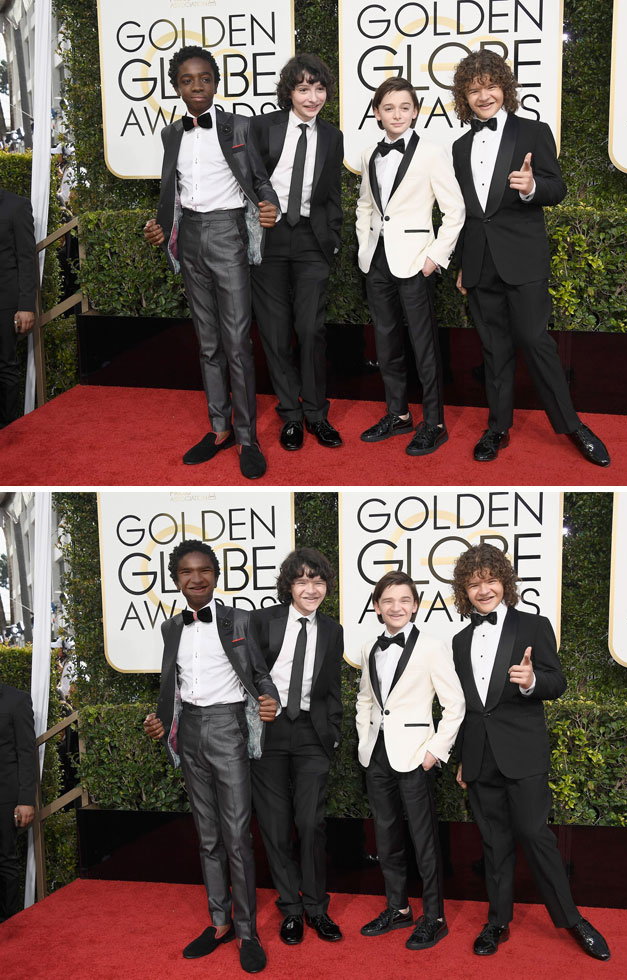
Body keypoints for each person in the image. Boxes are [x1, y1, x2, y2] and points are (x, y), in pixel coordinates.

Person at [450, 543, 611, 961]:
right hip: (481, 757)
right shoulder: (458, 639)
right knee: (493, 843)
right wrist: (466, 756)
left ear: (504, 581)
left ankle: (573, 920)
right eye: (473, 583)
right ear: (464, 591)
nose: (483, 590)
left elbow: (557, 683)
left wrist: (530, 680)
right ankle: (497, 921)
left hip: (523, 754)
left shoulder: (533, 625)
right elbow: (469, 707)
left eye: (489, 580)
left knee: (536, 837)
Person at [451, 50, 610, 467]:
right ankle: (497, 427)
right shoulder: (458, 146)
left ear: (505, 87)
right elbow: (469, 213)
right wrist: (466, 261)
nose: (483, 95)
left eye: (490, 86)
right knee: (493, 349)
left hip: (523, 259)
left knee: (535, 342)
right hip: (481, 262)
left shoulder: (533, 132)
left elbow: (557, 189)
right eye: (473, 89)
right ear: (463, 97)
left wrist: (531, 185)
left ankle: (573, 425)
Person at [143, 539, 279, 973]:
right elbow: (172, 685)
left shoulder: (239, 619)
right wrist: (160, 720)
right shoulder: (170, 628)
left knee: (237, 836)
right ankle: (218, 921)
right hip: (191, 732)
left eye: (203, 571)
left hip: (228, 729)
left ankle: (247, 931)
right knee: (207, 836)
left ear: (216, 576)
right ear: (176, 579)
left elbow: (260, 674)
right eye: (186, 572)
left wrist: (269, 699)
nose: (196, 578)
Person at [144, 45, 279, 480]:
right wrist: (159, 225)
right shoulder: (170, 135)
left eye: (204, 78)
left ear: (216, 83)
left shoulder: (238, 125)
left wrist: (269, 205)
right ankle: (218, 428)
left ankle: (247, 438)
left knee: (237, 342)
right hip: (191, 239)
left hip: (228, 235)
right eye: (187, 80)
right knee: (207, 343)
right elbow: (171, 190)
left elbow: (260, 180)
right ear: (176, 87)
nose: (197, 86)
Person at [355, 571, 465, 950]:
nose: (396, 607)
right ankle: (398, 909)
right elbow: (366, 700)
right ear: (376, 607)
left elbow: (455, 704)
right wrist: (363, 741)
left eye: (404, 600)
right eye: (388, 601)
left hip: (417, 756)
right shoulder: (370, 647)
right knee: (386, 837)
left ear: (415, 605)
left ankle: (434, 917)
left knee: (424, 840)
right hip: (377, 755)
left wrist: (435, 751)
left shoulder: (433, 647)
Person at [355, 78, 465, 456]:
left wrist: (435, 257)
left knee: (424, 346)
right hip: (378, 260)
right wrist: (363, 247)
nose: (397, 114)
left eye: (404, 107)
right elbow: (366, 206)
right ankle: (398, 415)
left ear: (415, 111)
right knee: (386, 343)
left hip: (417, 261)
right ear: (376, 113)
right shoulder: (370, 153)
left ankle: (434, 423)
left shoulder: (433, 153)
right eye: (389, 108)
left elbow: (455, 210)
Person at [249, 548, 344, 945]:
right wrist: (257, 703)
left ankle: (316, 908)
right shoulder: (260, 621)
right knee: (274, 824)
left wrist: (333, 731)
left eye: (318, 581)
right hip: (267, 732)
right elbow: (244, 674)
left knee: (311, 823)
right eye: (303, 580)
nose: (311, 589)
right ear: (289, 585)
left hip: (310, 733)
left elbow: (333, 688)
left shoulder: (333, 630)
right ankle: (290, 908)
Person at [250, 55, 344, 452]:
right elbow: (245, 180)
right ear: (289, 91)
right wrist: (257, 211)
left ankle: (317, 415)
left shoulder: (333, 136)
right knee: (274, 332)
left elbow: (334, 195)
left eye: (319, 88)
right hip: (268, 239)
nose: (312, 96)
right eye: (304, 88)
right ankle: (290, 414)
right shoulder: (261, 127)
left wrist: (332, 239)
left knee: (311, 330)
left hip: (310, 241)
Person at [0, 188, 36, 428]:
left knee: (4, 366)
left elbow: (26, 258)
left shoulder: (17, 206)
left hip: (5, 303)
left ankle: (7, 430)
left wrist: (26, 306)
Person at [0, 682, 36, 921]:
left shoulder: (17, 700)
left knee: (4, 861)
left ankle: (8, 924)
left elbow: (26, 751)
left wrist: (25, 799)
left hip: (5, 796)